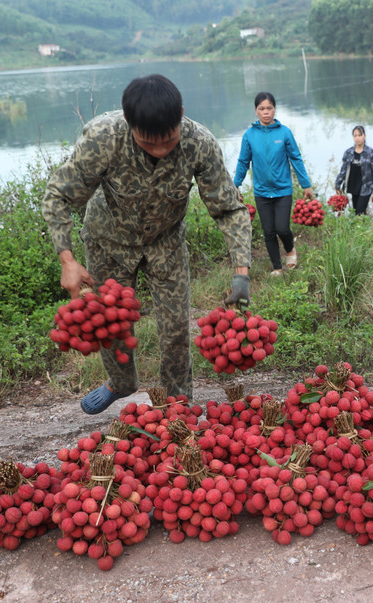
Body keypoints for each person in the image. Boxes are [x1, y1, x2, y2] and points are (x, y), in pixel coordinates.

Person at [42, 74, 252, 414]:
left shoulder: (200, 143)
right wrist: (68, 261)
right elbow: (59, 196)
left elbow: (229, 209)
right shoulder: (103, 138)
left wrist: (241, 272)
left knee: (176, 329)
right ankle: (121, 382)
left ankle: (178, 401)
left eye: (168, 141)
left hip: (165, 242)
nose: (160, 149)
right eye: (148, 143)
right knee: (112, 324)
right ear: (129, 123)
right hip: (108, 240)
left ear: (180, 114)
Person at [234, 92, 314, 277]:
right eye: (262, 109)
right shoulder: (249, 135)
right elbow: (243, 162)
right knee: (268, 232)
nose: (266, 112)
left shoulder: (284, 132)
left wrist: (306, 184)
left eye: (269, 108)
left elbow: (296, 158)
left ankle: (290, 249)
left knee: (282, 228)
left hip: (283, 189)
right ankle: (277, 268)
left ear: (274, 109)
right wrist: (235, 185)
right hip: (262, 192)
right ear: (256, 111)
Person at [334, 125, 373, 216]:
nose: (357, 138)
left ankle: (361, 227)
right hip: (353, 186)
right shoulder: (348, 153)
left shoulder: (371, 153)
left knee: (359, 212)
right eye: (355, 136)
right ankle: (363, 228)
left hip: (366, 187)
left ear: (364, 136)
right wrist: (338, 185)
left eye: (359, 135)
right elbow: (343, 170)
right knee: (357, 212)